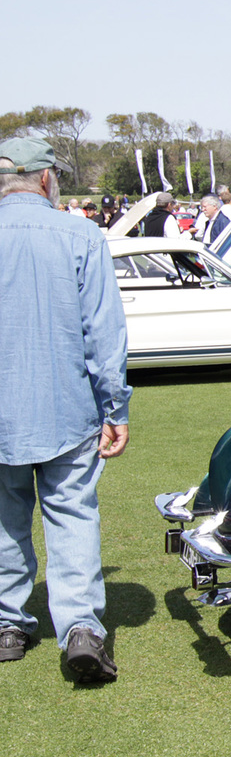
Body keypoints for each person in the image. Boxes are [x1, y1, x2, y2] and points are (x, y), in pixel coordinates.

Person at [0, 138, 131, 683]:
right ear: (48, 179)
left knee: (5, 517)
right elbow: (103, 332)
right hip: (66, 405)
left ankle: (8, 622)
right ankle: (79, 627)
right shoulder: (78, 233)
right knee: (72, 512)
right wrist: (115, 407)